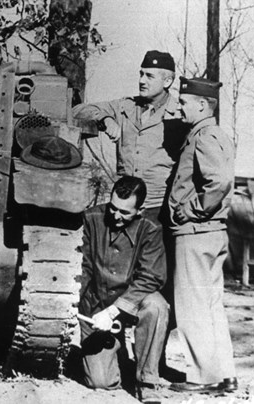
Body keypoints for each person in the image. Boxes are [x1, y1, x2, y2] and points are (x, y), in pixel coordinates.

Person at [166, 77, 237, 394]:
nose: (178, 106)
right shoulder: (218, 134)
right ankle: (225, 374)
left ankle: (201, 378)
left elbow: (218, 182)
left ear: (201, 105)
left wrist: (192, 209)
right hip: (214, 233)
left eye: (183, 102)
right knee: (211, 306)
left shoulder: (203, 136)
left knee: (193, 307)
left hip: (195, 233)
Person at [79, 176, 168, 404]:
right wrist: (80, 307)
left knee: (157, 306)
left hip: (132, 302)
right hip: (97, 304)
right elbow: (83, 267)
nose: (116, 216)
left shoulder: (150, 229)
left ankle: (147, 380)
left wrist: (114, 311)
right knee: (101, 382)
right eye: (113, 208)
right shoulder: (90, 219)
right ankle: (118, 354)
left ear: (140, 210)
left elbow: (152, 277)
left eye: (125, 213)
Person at [73, 50, 185, 221]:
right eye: (141, 74)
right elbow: (78, 110)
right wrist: (106, 118)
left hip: (158, 207)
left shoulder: (179, 114)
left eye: (149, 76)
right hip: (122, 206)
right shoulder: (126, 107)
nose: (141, 81)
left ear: (167, 81)